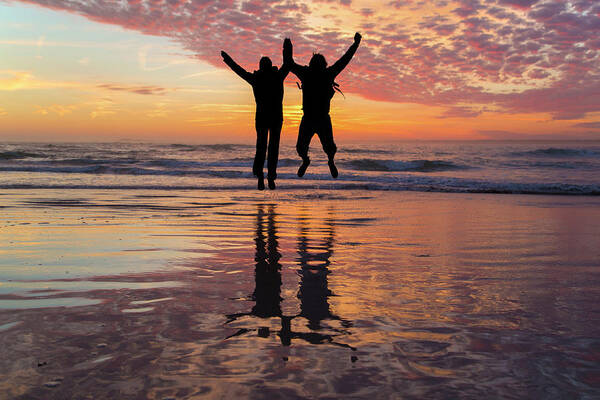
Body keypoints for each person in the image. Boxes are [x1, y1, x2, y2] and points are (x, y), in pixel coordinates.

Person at [283, 33, 361, 178]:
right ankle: (315, 161)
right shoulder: (325, 73)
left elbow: (289, 62)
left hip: (317, 118)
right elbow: (345, 59)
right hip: (316, 118)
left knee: (317, 147)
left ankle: (321, 160)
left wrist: (287, 47)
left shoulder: (310, 73)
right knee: (319, 147)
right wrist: (356, 43)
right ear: (323, 64)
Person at [221, 41, 290, 190]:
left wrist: (227, 59)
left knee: (262, 147)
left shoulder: (257, 79)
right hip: (276, 118)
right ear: (270, 66)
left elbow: (238, 70)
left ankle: (261, 176)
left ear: (260, 67)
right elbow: (288, 63)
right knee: (273, 148)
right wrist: (287, 48)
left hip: (263, 118)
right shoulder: (277, 76)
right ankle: (270, 177)